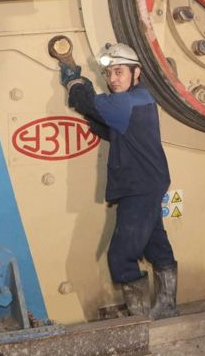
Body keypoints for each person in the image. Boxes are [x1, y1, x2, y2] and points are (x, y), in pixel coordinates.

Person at [58, 42, 177, 319]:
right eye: (109, 73)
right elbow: (109, 128)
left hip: (140, 187)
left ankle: (140, 319)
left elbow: (86, 102)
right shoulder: (140, 99)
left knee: (121, 256)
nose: (112, 79)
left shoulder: (126, 102)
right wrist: (89, 106)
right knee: (155, 245)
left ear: (137, 73)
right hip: (147, 183)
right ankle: (167, 307)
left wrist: (74, 80)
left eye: (119, 72)